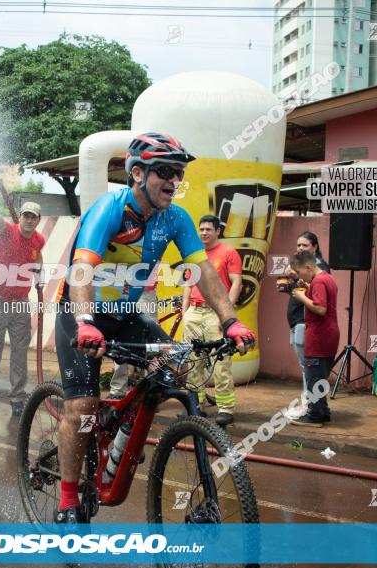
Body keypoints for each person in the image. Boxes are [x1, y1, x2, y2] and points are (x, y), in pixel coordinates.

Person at [52, 132, 255, 523]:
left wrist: (230, 321)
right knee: (81, 406)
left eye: (178, 173)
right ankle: (67, 497)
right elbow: (82, 270)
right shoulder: (110, 208)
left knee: (175, 366)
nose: (174, 182)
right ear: (138, 173)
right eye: (165, 172)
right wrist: (85, 322)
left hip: (126, 313)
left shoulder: (175, 218)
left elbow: (205, 272)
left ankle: (123, 426)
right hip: (83, 310)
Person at [0, 195, 45, 417]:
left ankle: (17, 398)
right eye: (25, 216)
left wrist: (39, 277)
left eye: (32, 217)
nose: (28, 220)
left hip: (20, 305)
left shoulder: (39, 240)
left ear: (37, 220)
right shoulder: (6, 231)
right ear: (21, 218)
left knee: (20, 353)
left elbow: (38, 256)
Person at [181, 214, 242, 426]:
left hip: (215, 313)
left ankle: (226, 409)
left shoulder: (229, 253)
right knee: (192, 362)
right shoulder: (194, 255)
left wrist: (225, 314)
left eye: (208, 229)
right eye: (201, 229)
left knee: (221, 362)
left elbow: (236, 283)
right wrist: (184, 312)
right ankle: (196, 406)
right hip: (193, 314)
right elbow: (188, 285)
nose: (204, 233)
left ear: (218, 231)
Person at [281, 231, 330, 420]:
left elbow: (317, 299)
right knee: (306, 367)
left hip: (305, 323)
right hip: (296, 322)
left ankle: (309, 407)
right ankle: (312, 406)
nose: (300, 248)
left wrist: (295, 278)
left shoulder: (318, 269)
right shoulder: (303, 268)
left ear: (315, 247)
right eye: (298, 245)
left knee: (308, 368)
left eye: (305, 245)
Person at [288, 251, 339, 427]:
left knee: (313, 377)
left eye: (300, 273)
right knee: (319, 376)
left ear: (308, 267)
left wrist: (302, 296)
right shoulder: (326, 278)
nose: (299, 277)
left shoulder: (319, 281)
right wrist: (307, 288)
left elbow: (320, 308)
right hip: (328, 335)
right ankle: (322, 411)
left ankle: (315, 415)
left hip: (319, 335)